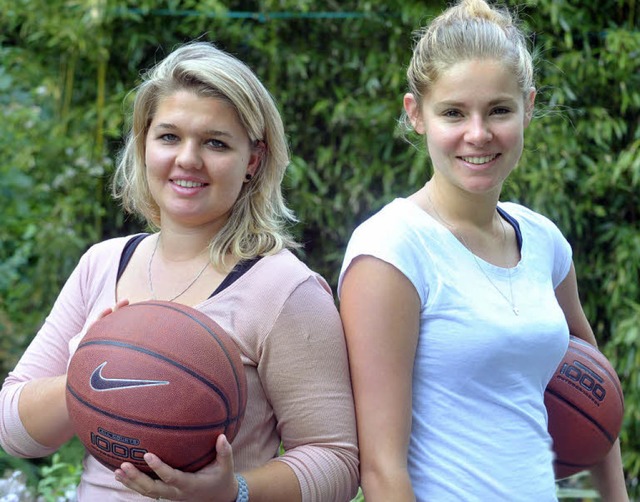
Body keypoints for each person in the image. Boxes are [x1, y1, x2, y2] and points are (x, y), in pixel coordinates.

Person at [0, 41, 359, 501]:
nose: (188, 159)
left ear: (253, 160)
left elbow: (335, 460)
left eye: (215, 142)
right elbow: (15, 432)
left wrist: (236, 491)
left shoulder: (285, 289)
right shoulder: (102, 263)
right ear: (144, 144)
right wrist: (83, 372)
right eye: (169, 137)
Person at [338, 1, 628, 501]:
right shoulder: (391, 249)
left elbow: (598, 391)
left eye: (499, 110)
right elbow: (383, 470)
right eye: (453, 112)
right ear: (416, 115)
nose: (478, 133)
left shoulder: (544, 242)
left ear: (528, 106)